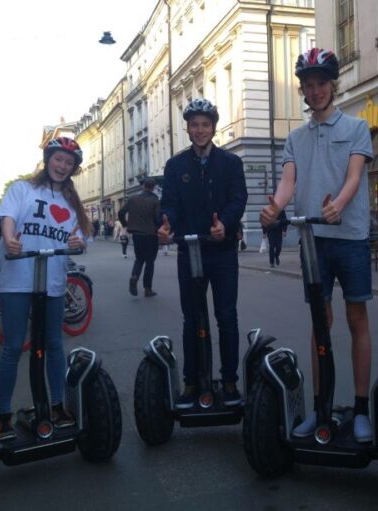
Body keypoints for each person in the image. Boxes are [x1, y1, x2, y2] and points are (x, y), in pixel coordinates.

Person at [260, 48, 375, 443]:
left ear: (332, 85)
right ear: (303, 91)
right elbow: (289, 181)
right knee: (319, 322)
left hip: (350, 237)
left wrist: (337, 205)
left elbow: (354, 176)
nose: (315, 91)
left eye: (321, 83)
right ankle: (320, 407)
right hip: (313, 239)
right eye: (308, 85)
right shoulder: (295, 138)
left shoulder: (357, 127)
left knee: (356, 319)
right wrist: (275, 207)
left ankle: (361, 409)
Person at [0, 136, 91, 440]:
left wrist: (77, 243)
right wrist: (9, 240)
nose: (62, 166)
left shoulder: (71, 203)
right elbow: (8, 218)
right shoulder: (22, 189)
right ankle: (4, 414)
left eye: (68, 162)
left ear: (73, 168)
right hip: (17, 279)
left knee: (53, 344)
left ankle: (58, 405)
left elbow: (79, 239)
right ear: (48, 160)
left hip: (52, 282)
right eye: (58, 159)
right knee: (12, 346)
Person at [158, 98, 248, 408]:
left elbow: (238, 198)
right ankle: (192, 382)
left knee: (226, 316)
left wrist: (226, 222)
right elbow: (169, 204)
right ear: (187, 128)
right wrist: (166, 224)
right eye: (194, 125)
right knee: (192, 318)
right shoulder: (175, 166)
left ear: (213, 127)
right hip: (190, 249)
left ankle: (230, 381)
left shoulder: (230, 163)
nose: (199, 130)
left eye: (205, 125)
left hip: (222, 251)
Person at [119, 178, 161, 297]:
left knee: (139, 259)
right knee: (150, 262)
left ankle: (134, 276)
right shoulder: (155, 200)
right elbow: (158, 218)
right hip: (151, 234)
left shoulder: (133, 199)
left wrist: (125, 224)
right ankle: (147, 289)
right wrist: (159, 229)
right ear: (153, 187)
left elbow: (121, 212)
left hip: (137, 234)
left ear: (143, 186)